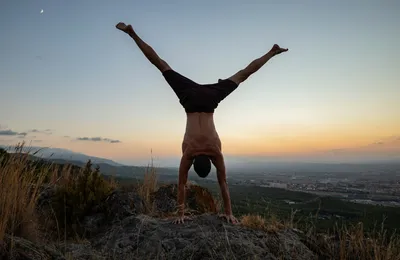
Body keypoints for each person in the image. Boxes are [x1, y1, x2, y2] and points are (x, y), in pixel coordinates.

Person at [116, 22, 288, 224]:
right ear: (193, 164)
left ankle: (271, 52)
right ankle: (132, 34)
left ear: (210, 162)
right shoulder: (188, 152)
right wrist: (180, 214)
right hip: (189, 99)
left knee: (242, 75)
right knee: (161, 65)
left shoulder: (215, 151)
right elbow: (182, 185)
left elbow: (223, 183)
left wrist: (229, 212)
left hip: (209, 100)